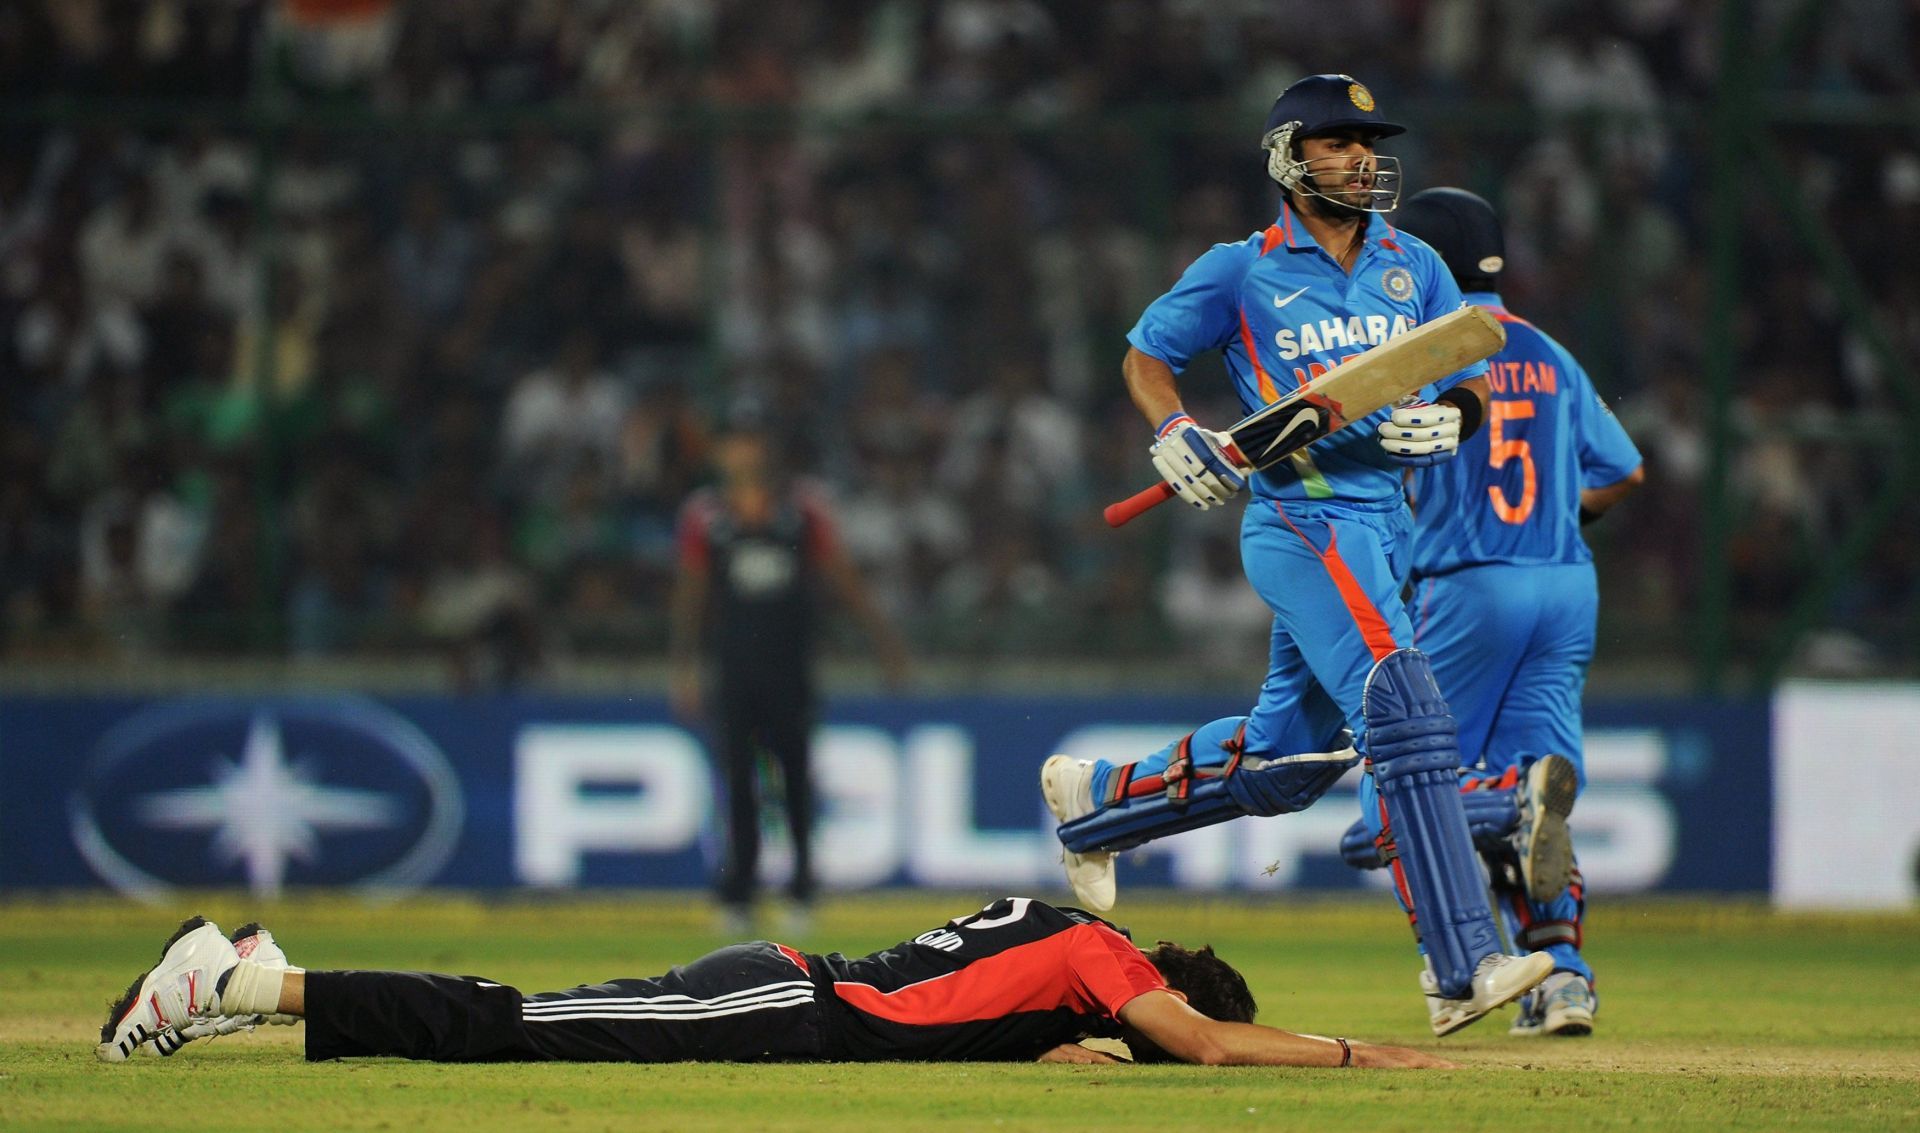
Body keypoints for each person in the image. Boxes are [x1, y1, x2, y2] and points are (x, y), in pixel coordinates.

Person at [1039, 73, 1550, 1036]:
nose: (1362, 156)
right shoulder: (1242, 269)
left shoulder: (1415, 265)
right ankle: (1462, 964)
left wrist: (1450, 419)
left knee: (1291, 759)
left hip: (1385, 526)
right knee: (1403, 703)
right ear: (1287, 158)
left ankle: (1098, 804)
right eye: (1336, 141)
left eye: (1369, 140)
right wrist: (1176, 430)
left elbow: (1466, 373)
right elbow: (1146, 357)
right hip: (1302, 521)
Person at [1337, 187, 1644, 1038]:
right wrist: (1551, 517)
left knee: (1389, 802)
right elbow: (1625, 472)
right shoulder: (1551, 353)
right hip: (1564, 588)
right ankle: (1565, 980)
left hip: (1466, 587)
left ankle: (1501, 830)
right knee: (1542, 790)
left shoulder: (1421, 350)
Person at [98, 900, 1453, 1069]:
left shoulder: (1066, 944)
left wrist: (1045, 1055)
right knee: (511, 1026)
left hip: (790, 993)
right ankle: (231, 983)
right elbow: (1208, 1048)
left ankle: (261, 974)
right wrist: (1358, 1055)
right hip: (779, 1002)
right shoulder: (1113, 964)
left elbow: (967, 1000)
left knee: (523, 1022)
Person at [669, 401, 910, 935]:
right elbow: (692, 593)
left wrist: (884, 643)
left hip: (790, 667)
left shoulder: (803, 511)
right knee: (737, 780)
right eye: (734, 442)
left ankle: (802, 887)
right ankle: (738, 893)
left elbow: (841, 579)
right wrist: (682, 664)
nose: (742, 453)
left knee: (795, 779)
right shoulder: (706, 516)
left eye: (751, 441)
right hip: (733, 669)